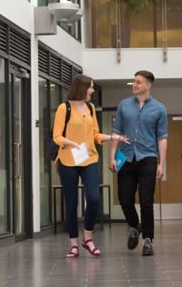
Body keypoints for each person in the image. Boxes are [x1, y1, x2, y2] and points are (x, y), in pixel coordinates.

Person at [53, 74, 128, 258]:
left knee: (94, 198)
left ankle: (87, 239)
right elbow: (56, 136)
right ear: (82, 88)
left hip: (89, 159)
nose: (93, 91)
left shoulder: (90, 107)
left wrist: (112, 137)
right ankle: (73, 244)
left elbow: (95, 135)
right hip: (68, 160)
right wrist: (70, 143)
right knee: (71, 204)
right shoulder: (64, 108)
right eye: (91, 87)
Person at [109, 70, 168, 256]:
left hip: (148, 158)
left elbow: (162, 137)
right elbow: (116, 132)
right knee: (125, 199)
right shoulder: (123, 105)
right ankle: (135, 226)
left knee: (146, 201)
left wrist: (162, 163)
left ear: (148, 85)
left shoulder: (159, 108)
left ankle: (148, 240)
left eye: (138, 82)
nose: (134, 84)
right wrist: (112, 156)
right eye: (134, 81)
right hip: (125, 157)